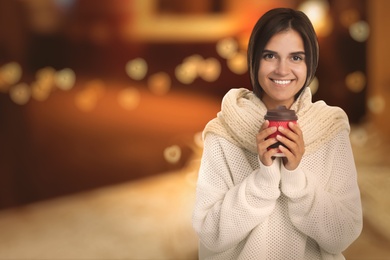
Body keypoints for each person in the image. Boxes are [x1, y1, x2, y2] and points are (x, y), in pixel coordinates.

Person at [192, 7, 363, 260]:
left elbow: (344, 233)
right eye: (270, 56)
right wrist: (263, 179)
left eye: (296, 58)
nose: (282, 70)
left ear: (310, 63)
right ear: (253, 59)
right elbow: (210, 234)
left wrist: (296, 178)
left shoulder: (330, 128)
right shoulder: (223, 132)